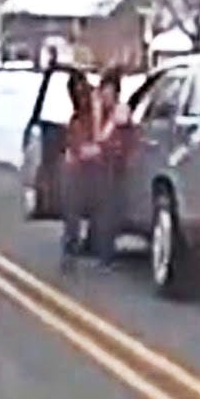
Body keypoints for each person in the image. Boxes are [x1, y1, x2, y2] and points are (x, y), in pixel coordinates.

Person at [89, 66, 131, 267]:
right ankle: (95, 245)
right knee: (98, 209)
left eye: (109, 91)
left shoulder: (120, 113)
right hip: (99, 167)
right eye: (103, 90)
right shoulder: (98, 112)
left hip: (114, 168)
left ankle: (106, 252)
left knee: (107, 211)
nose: (105, 95)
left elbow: (108, 139)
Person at [60, 70, 99, 266]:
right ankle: (72, 241)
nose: (78, 95)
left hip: (99, 160)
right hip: (82, 161)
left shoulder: (95, 107)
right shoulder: (78, 115)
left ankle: (81, 241)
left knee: (81, 197)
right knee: (72, 197)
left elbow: (97, 131)